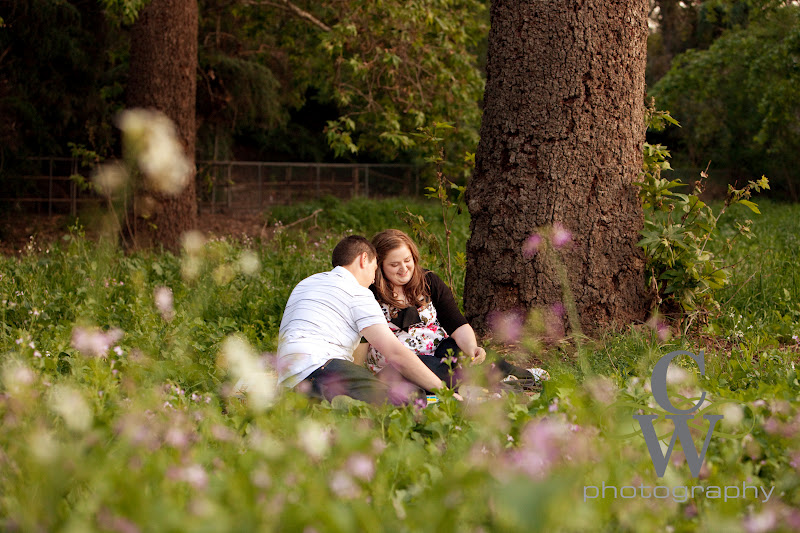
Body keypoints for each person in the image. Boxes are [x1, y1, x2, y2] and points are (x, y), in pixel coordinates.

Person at [276, 235, 453, 405]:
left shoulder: (307, 283)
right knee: (405, 403)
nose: (373, 278)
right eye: (375, 268)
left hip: (287, 381)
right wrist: (443, 391)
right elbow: (396, 354)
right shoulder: (357, 292)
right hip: (321, 369)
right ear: (363, 259)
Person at [363, 229, 549, 388]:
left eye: (407, 260)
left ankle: (518, 375)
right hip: (400, 365)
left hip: (438, 350)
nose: (404, 268)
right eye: (394, 264)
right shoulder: (369, 293)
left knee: (459, 352)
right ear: (380, 266)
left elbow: (457, 324)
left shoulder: (428, 281)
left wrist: (472, 349)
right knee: (433, 366)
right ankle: (487, 383)